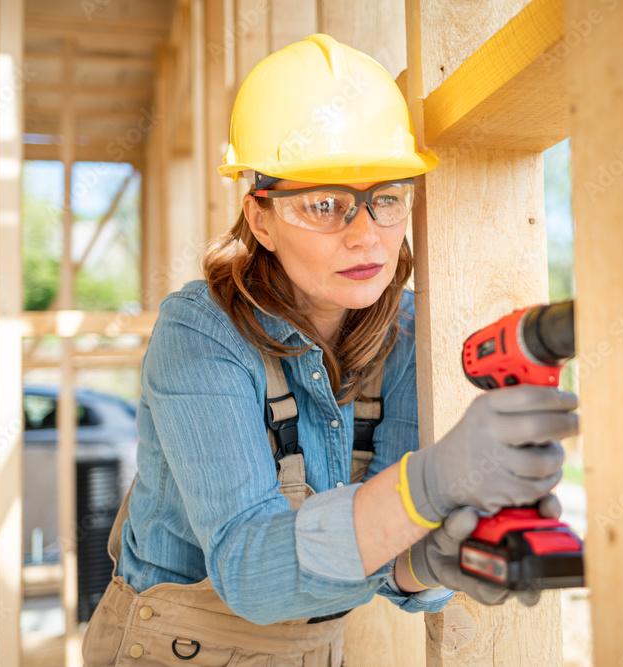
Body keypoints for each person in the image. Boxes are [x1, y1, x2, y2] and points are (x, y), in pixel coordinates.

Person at [82, 34, 579, 666]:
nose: (367, 235)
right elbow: (252, 574)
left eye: (387, 199)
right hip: (172, 648)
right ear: (260, 220)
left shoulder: (403, 334)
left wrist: (425, 567)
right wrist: (430, 482)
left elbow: (385, 559)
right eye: (326, 204)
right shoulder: (199, 335)